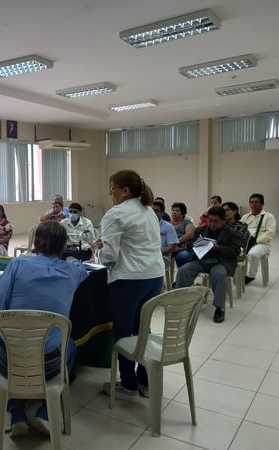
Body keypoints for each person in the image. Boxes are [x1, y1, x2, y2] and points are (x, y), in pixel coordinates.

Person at [0, 221, 88, 438]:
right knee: (70, 346)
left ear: (35, 243)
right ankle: (45, 412)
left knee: (8, 346)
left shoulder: (17, 265)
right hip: (49, 364)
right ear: (63, 246)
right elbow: (83, 270)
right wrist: (72, 260)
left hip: (8, 360)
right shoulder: (72, 272)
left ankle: (16, 413)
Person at [96, 170, 164, 401]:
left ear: (125, 190)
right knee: (143, 329)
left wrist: (99, 249)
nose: (110, 194)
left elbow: (109, 256)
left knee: (123, 333)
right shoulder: (148, 210)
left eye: (113, 189)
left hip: (129, 280)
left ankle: (128, 385)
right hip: (154, 277)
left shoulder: (115, 214)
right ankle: (145, 381)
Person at [175, 206, 241, 323]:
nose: (211, 224)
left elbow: (235, 251)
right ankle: (180, 302)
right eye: (210, 220)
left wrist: (218, 248)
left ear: (223, 220)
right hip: (201, 260)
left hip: (220, 262)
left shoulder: (232, 233)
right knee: (183, 271)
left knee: (219, 275)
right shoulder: (201, 230)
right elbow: (188, 245)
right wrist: (195, 244)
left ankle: (219, 308)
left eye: (215, 221)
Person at [241, 193, 276, 285]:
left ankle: (251, 276)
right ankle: (235, 274)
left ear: (262, 204)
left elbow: (270, 233)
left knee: (253, 254)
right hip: (246, 243)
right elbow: (239, 229)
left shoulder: (268, 216)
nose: (253, 204)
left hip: (262, 244)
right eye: (251, 202)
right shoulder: (245, 217)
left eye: (256, 202)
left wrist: (256, 241)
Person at [171, 202, 195, 267]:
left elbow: (189, 234)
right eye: (173, 210)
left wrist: (176, 242)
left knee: (182, 256)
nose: (174, 212)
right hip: (169, 247)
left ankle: (181, 272)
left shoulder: (187, 222)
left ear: (182, 214)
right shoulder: (167, 223)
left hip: (183, 247)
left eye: (177, 211)